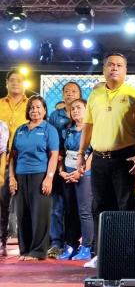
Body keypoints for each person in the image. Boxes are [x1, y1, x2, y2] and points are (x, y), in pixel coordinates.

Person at [77, 53, 135, 268]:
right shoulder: (95, 95)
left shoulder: (134, 94)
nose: (114, 68)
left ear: (126, 71)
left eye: (119, 65)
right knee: (99, 207)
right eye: (110, 65)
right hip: (99, 159)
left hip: (124, 158)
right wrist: (81, 153)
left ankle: (127, 254)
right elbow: (88, 125)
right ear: (104, 69)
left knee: (125, 206)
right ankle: (102, 254)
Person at [9, 96, 59, 260]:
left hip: (40, 175)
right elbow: (13, 156)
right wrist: (12, 178)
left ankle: (38, 251)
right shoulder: (20, 130)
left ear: (44, 110)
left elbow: (54, 155)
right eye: (31, 107)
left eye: (38, 107)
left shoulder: (49, 129)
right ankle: (25, 250)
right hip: (20, 176)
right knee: (23, 215)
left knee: (39, 215)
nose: (34, 110)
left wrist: (49, 178)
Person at [47, 82, 82, 259]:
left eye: (74, 91)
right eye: (67, 91)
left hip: (80, 168)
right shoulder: (55, 115)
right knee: (58, 207)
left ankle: (77, 243)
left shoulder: (85, 115)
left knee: (78, 208)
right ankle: (56, 243)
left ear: (80, 95)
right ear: (62, 94)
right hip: (58, 165)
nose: (70, 94)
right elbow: (50, 138)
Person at [58, 98, 93, 260]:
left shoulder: (92, 129)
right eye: (73, 109)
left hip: (85, 174)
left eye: (79, 108)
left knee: (85, 211)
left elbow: (94, 153)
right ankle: (71, 245)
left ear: (87, 110)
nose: (75, 111)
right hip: (67, 174)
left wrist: (81, 171)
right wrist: (61, 171)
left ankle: (87, 247)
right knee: (69, 211)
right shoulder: (66, 130)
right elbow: (61, 154)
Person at [0, 69, 29, 256]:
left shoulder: (31, 105)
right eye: (12, 80)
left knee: (25, 205)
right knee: (1, 204)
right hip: (2, 163)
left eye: (19, 80)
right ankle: (1, 242)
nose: (15, 83)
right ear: (6, 83)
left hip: (25, 162)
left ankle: (27, 245)